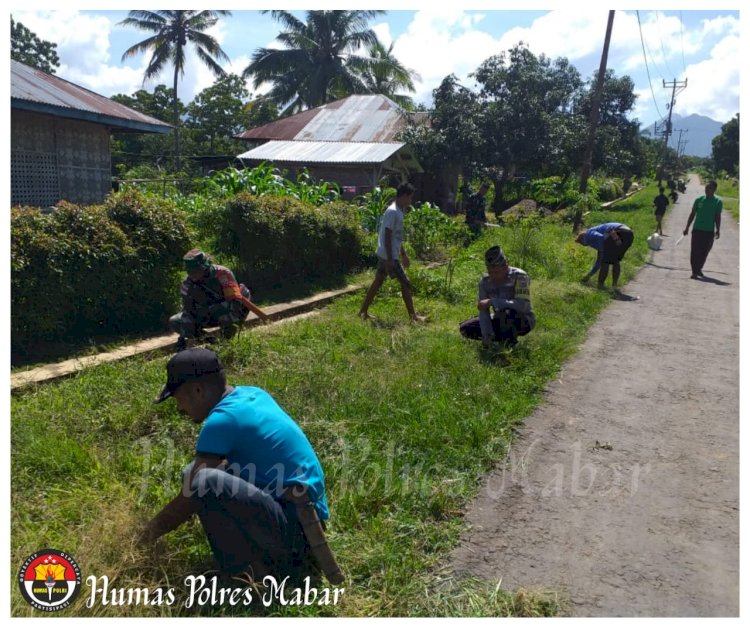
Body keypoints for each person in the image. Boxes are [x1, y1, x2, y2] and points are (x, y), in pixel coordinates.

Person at [141, 348, 331, 581]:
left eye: (178, 398)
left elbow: (190, 496)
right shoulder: (252, 394)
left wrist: (145, 536)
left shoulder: (221, 421)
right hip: (310, 520)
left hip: (297, 534)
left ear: (197, 390)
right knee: (194, 473)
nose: (180, 408)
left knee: (204, 482)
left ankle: (252, 579)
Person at [169, 249, 268, 351]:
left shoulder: (222, 274)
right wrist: (185, 331)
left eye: (196, 270)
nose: (193, 274)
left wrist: (212, 309)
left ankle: (226, 343)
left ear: (205, 267)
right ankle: (212, 341)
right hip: (208, 313)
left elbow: (234, 302)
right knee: (176, 321)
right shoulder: (187, 285)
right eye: (190, 271)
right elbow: (188, 310)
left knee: (227, 315)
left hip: (234, 308)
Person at [358, 182, 427, 323]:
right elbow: (387, 235)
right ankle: (413, 317)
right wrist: (391, 259)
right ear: (404, 196)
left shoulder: (398, 211)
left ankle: (362, 311)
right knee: (406, 283)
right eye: (410, 198)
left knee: (378, 281)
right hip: (389, 256)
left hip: (388, 255)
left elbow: (397, 236)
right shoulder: (393, 212)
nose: (410, 201)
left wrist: (403, 254)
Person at [459, 245, 536, 348]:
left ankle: (509, 346)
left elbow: (522, 306)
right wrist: (486, 335)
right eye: (491, 272)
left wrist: (493, 302)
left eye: (497, 272)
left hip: (522, 320)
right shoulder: (485, 281)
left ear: (506, 266)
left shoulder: (520, 276)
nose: (493, 276)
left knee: (506, 313)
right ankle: (499, 338)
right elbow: (483, 311)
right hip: (498, 318)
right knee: (466, 328)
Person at [576, 222, 634, 291]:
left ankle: (601, 286)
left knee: (605, 261)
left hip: (619, 232)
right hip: (629, 235)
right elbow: (598, 262)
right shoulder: (596, 232)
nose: (585, 245)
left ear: (582, 238)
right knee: (615, 260)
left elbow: (601, 237)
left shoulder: (589, 234)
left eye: (582, 243)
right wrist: (589, 276)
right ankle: (614, 286)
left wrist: (602, 250)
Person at [683, 180, 722, 279]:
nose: (707, 189)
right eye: (706, 187)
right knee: (695, 251)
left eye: (709, 188)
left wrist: (718, 229)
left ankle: (698, 268)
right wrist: (687, 227)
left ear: (714, 189)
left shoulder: (718, 202)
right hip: (697, 230)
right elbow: (692, 214)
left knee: (705, 252)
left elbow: (717, 216)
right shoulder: (699, 200)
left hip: (709, 231)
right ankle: (694, 271)